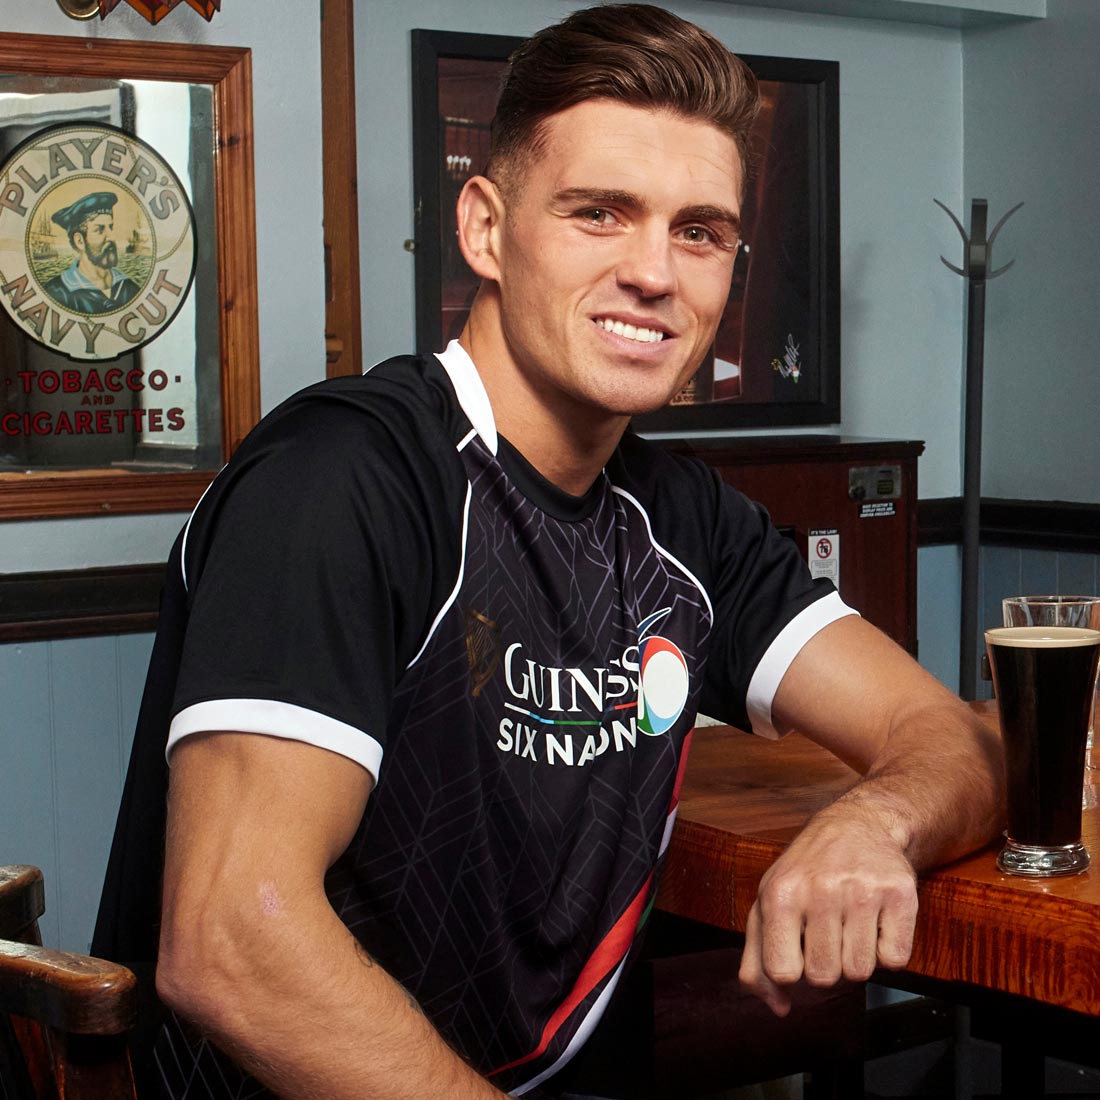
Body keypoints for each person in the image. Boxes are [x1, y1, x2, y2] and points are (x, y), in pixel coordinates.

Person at [93, 5, 1004, 1099]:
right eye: (598, 213)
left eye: (699, 231)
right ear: (484, 227)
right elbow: (234, 938)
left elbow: (949, 738)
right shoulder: (344, 480)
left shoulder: (686, 521)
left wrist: (873, 820)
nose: (653, 272)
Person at [42, 191, 140, 314]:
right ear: (79, 241)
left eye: (111, 227)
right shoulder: (56, 292)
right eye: (99, 230)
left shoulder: (128, 287)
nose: (111, 236)